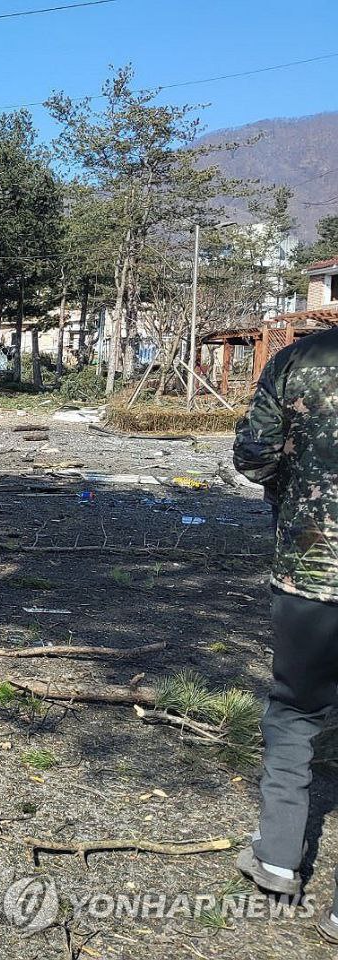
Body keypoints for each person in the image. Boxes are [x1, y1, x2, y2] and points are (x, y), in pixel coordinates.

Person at [233, 325, 338, 942]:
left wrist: (294, 483)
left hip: (311, 571)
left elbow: (253, 456)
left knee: (296, 712)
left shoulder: (298, 360)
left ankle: (276, 858)